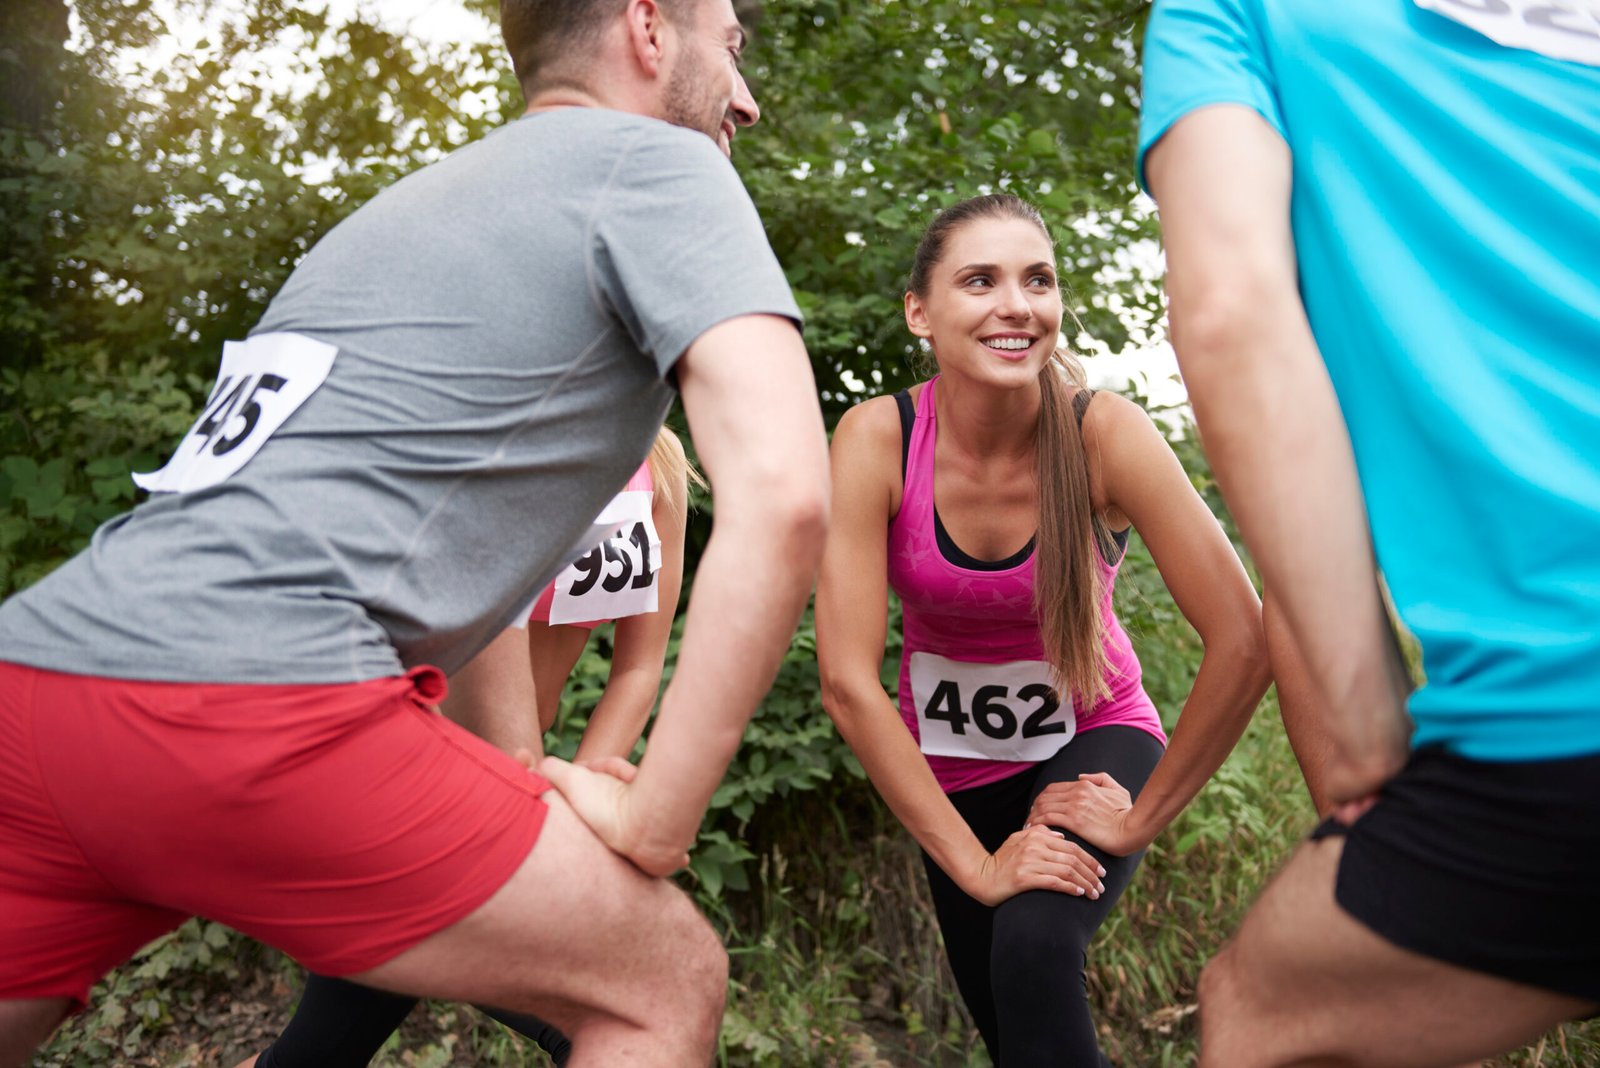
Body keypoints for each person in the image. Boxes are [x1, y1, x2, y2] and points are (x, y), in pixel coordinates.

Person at [0, 0, 831, 1063]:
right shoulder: (660, 163)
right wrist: (656, 824)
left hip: (39, 677)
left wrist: (514, 769)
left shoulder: (410, 209)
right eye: (733, 47)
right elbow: (784, 493)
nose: (746, 100)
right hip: (256, 701)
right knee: (662, 981)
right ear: (649, 29)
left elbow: (439, 554)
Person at [1138, 2, 1600, 1065]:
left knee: (1260, 1014)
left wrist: (1360, 731)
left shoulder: (1232, 15)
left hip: (1566, 714)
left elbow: (1230, 311)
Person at [815, 193, 1270, 1067]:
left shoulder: (1102, 435)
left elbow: (1245, 638)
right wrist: (979, 866)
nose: (1015, 304)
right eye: (979, 280)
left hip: (1095, 741)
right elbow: (847, 682)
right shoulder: (877, 438)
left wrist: (1139, 818)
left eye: (1038, 280)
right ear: (920, 311)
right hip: (948, 772)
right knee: (1014, 1025)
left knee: (1033, 947)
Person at [242, 427, 698, 1068]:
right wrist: (552, 821)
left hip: (504, 789)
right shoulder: (499, 443)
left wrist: (584, 787)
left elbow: (638, 668)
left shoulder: (660, 465)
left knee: (319, 1051)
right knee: (627, 1017)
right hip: (414, 783)